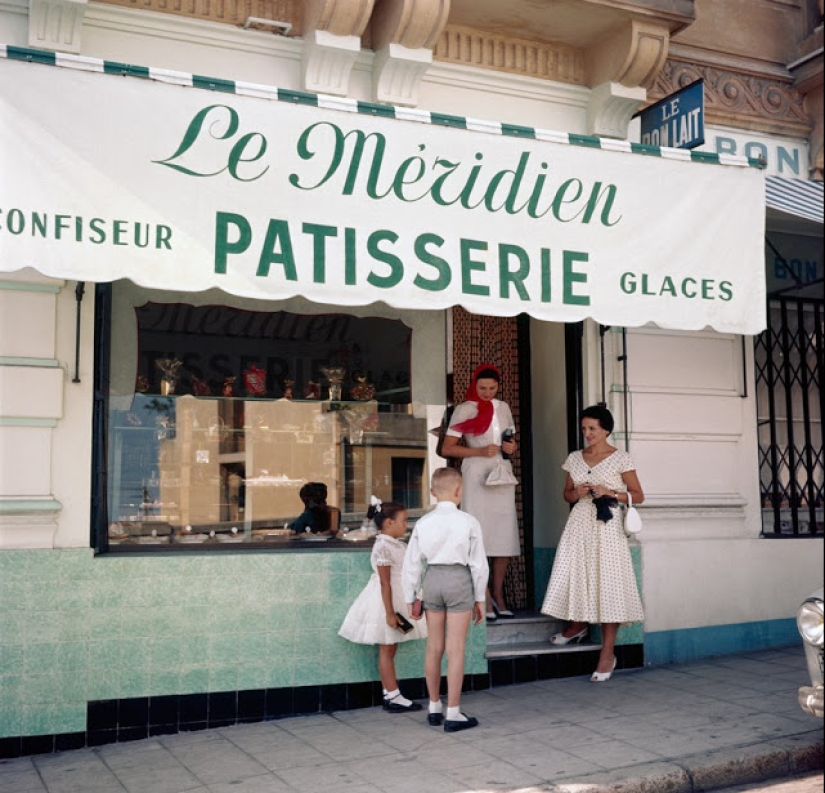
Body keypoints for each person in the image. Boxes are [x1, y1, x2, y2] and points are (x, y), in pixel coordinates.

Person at [540, 404, 645, 682]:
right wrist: (577, 491)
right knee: (577, 576)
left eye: (592, 428)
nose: (587, 433)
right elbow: (567, 496)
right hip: (579, 525)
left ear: (606, 430)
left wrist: (609, 492)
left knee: (608, 584)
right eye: (584, 428)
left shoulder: (621, 458)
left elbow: (639, 495)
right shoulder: (575, 458)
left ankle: (607, 654)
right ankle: (577, 627)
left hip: (607, 527)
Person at [402, 467, 488, 732]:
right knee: (456, 649)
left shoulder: (423, 523)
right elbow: (478, 564)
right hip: (458, 580)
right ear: (459, 491)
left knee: (434, 647)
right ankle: (453, 713)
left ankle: (433, 707)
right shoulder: (469, 521)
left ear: (431, 492)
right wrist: (479, 598)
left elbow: (412, 562)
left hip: (433, 580)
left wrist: (410, 595)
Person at [441, 364, 519, 621]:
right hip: (475, 473)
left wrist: (510, 448)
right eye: (482, 388)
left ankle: (498, 594)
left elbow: (510, 441)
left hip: (501, 472)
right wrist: (477, 451)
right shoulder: (464, 409)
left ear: (498, 387)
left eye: (492, 388)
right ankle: (482, 593)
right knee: (478, 535)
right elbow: (447, 448)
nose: (486, 393)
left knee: (504, 536)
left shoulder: (504, 408)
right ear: (474, 385)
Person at [338, 500, 426, 712]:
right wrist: (389, 613)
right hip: (387, 600)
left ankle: (389, 692)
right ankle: (393, 695)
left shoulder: (397, 545)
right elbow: (385, 582)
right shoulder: (383, 547)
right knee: (387, 648)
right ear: (389, 522)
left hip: (398, 596)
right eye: (403, 521)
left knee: (391, 646)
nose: (406, 525)